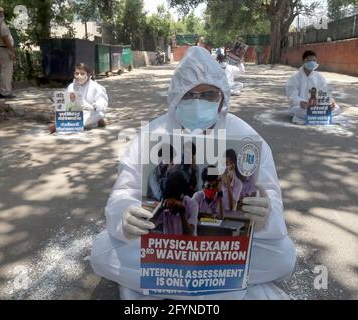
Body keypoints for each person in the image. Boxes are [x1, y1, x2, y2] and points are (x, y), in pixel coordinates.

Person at [90, 46, 296, 300]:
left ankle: (165, 284)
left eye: (209, 94)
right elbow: (125, 189)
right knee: (101, 251)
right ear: (176, 96)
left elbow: (271, 195)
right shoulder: (151, 135)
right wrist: (125, 214)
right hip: (167, 244)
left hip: (221, 248)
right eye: (190, 95)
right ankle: (224, 284)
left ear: (222, 96)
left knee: (284, 255)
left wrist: (266, 214)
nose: (199, 102)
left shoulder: (247, 138)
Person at [285, 50, 342, 125]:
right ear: (303, 62)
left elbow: (326, 92)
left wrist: (331, 101)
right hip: (302, 107)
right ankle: (321, 115)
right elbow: (292, 96)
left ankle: (316, 115)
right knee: (299, 111)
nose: (312, 62)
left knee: (336, 108)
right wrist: (301, 102)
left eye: (314, 60)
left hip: (318, 106)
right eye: (308, 60)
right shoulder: (294, 78)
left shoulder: (320, 77)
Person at [49, 63, 109, 133]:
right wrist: (59, 105)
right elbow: (65, 102)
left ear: (88, 75)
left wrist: (96, 106)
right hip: (75, 113)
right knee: (61, 113)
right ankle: (93, 123)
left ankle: (63, 126)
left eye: (82, 74)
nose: (79, 76)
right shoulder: (71, 86)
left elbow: (102, 101)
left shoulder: (96, 87)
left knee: (99, 114)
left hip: (90, 113)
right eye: (76, 73)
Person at [150, 170, 198, 236]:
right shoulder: (164, 204)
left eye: (173, 203)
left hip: (187, 245)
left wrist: (182, 213)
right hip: (170, 244)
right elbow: (147, 226)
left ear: (181, 197)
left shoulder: (192, 204)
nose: (171, 206)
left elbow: (189, 234)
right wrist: (159, 209)